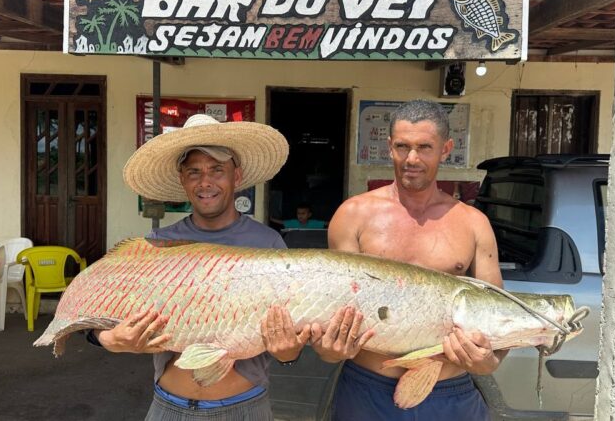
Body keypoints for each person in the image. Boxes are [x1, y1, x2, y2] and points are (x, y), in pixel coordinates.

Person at [92, 114, 312, 420]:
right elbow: (95, 311)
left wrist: (288, 352)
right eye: (193, 171)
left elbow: (290, 341)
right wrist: (108, 339)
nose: (205, 181)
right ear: (182, 180)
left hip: (246, 409)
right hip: (168, 408)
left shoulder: (268, 244)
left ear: (237, 176)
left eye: (217, 169)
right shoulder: (159, 244)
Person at [311, 100, 504, 420]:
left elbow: (497, 314)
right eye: (402, 146)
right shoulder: (353, 215)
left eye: (424, 147)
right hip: (368, 389)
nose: (412, 159)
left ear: (446, 149)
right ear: (389, 147)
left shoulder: (473, 223)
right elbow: (335, 310)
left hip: (448, 392)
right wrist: (327, 349)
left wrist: (489, 361)